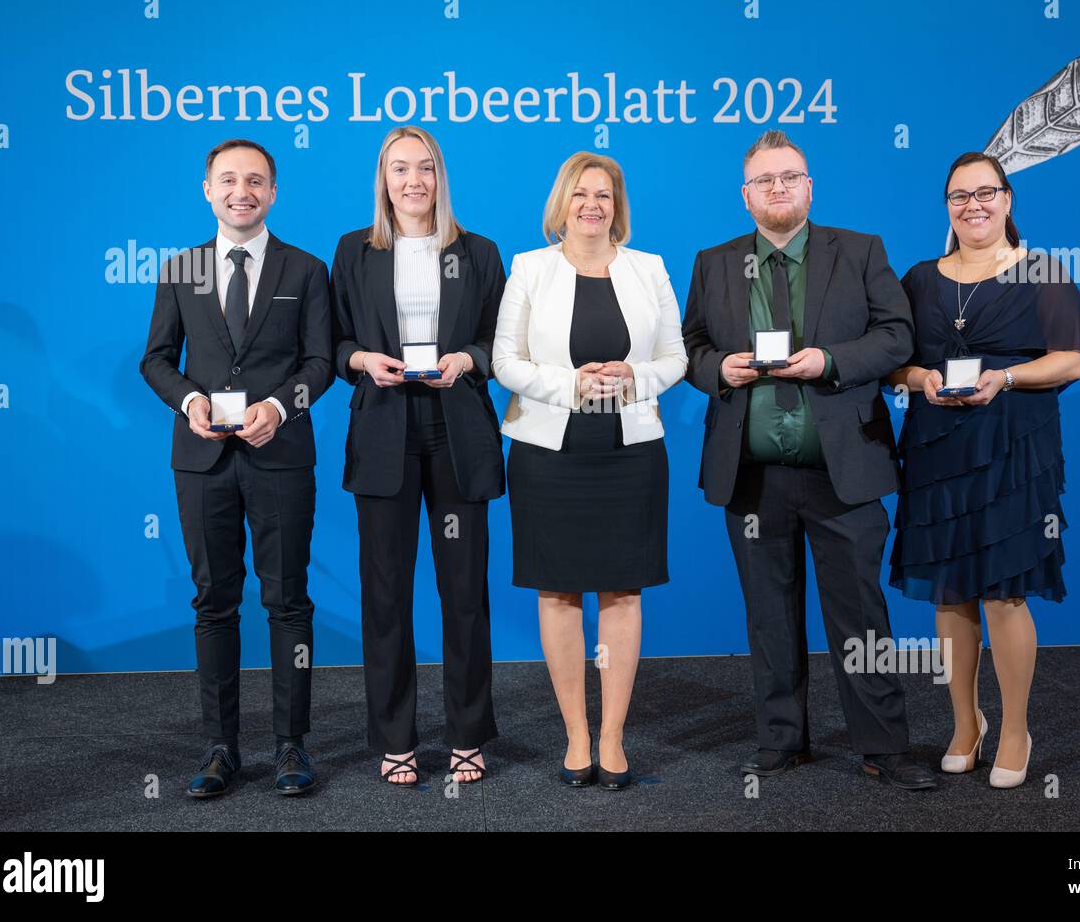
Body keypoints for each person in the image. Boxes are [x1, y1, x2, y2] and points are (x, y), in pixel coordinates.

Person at [682, 129, 936, 790]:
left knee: (860, 614)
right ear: (745, 195)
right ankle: (781, 741)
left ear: (809, 186)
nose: (778, 189)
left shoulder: (859, 251)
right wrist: (719, 368)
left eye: (790, 177)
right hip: (751, 475)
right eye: (765, 180)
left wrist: (832, 360)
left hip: (843, 471)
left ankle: (883, 745)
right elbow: (692, 344)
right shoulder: (714, 262)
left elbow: (897, 334)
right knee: (768, 614)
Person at [886, 151, 1080, 788]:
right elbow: (894, 361)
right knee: (951, 592)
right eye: (959, 195)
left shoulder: (1041, 271)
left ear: (1007, 200)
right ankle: (964, 722)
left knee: (1005, 590)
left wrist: (1003, 377)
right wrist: (919, 376)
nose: (973, 205)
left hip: (1012, 445)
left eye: (986, 193)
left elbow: (1073, 361)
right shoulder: (921, 278)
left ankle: (1014, 728)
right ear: (946, 206)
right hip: (938, 446)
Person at [141, 138, 333, 797]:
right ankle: (221, 745)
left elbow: (322, 363)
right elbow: (156, 359)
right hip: (201, 460)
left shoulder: (305, 269)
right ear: (207, 189)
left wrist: (282, 405)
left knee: (287, 601)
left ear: (273, 192)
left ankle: (290, 744)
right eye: (228, 180)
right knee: (214, 603)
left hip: (280, 455)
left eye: (254, 181)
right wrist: (190, 399)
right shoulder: (181, 269)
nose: (241, 191)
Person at [492, 152, 687, 790]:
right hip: (550, 453)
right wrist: (568, 385)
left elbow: (676, 359)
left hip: (630, 449)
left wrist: (634, 377)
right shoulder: (530, 268)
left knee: (623, 592)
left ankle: (613, 737)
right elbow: (505, 362)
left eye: (603, 195)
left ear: (616, 205)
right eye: (580, 195)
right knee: (559, 591)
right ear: (563, 203)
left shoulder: (649, 268)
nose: (592, 206)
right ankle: (577, 733)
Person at [331, 126, 506, 786]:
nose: (412, 181)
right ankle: (396, 736)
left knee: (464, 592)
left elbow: (500, 339)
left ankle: (467, 732)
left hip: (456, 429)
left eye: (424, 168)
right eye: (399, 168)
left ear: (440, 177)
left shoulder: (479, 251)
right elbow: (335, 337)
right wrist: (357, 359)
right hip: (383, 429)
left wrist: (469, 359)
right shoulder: (354, 250)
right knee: (386, 592)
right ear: (383, 178)